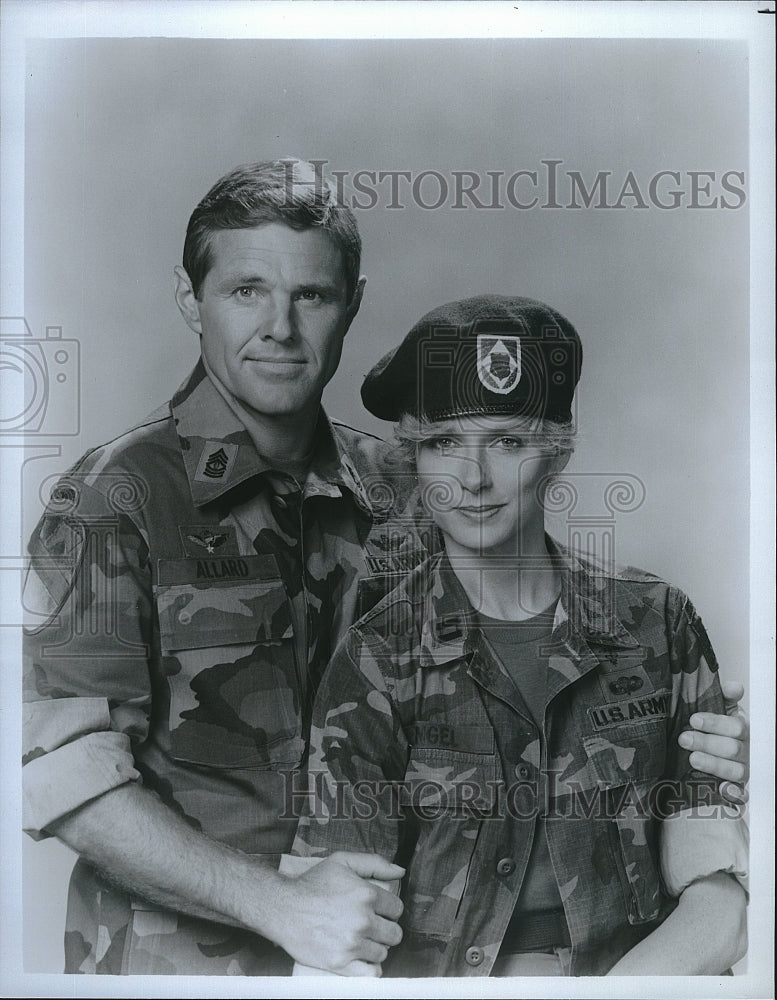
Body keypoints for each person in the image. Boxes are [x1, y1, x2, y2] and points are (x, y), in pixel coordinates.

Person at [22, 161, 748, 977]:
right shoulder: (113, 500)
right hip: (183, 965)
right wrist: (279, 906)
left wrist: (685, 746)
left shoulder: (407, 481)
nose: (280, 328)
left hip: (411, 956)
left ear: (352, 304)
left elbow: (528, 674)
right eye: (246, 290)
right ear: (192, 302)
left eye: (312, 296)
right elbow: (66, 776)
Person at [291, 294, 749, 976]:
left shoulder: (657, 622)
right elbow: (341, 933)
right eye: (444, 443)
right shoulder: (377, 659)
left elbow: (720, 903)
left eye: (507, 440)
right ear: (414, 459)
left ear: (555, 451)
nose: (473, 478)